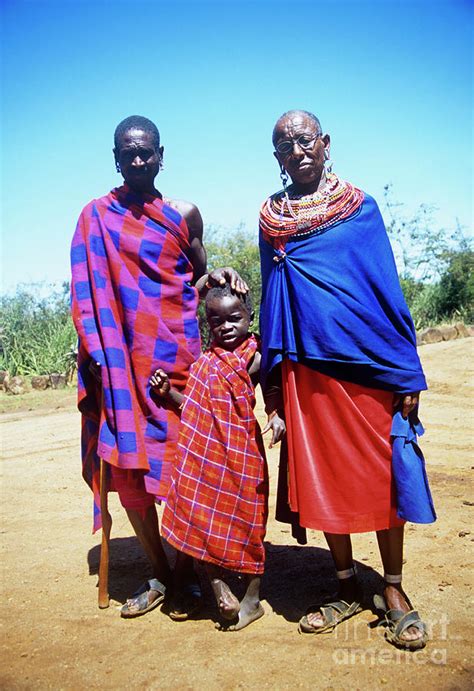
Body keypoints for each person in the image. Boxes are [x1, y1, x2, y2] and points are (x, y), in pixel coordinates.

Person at [258, 109, 436, 650]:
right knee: (324, 476)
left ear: (326, 142)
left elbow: (386, 287)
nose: (297, 150)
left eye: (305, 139)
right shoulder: (271, 220)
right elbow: (271, 302)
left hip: (368, 363)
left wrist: (406, 368)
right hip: (307, 371)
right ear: (277, 157)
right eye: (285, 145)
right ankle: (341, 586)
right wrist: (272, 392)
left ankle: (394, 589)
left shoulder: (361, 209)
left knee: (383, 476)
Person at [71, 115, 246, 618]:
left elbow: (196, 274)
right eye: (129, 152)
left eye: (147, 152)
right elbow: (85, 295)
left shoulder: (183, 214)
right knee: (130, 471)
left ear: (161, 155)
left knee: (185, 465)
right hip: (122, 364)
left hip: (176, 356)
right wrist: (96, 353)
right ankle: (164, 574)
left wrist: (219, 276)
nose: (139, 160)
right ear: (116, 158)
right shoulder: (94, 218)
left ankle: (190, 567)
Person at [151, 283, 286, 630]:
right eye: (216, 321)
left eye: (234, 318)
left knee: (250, 519)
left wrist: (275, 416)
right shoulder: (206, 363)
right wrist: (169, 394)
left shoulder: (257, 357)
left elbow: (274, 389)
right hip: (205, 452)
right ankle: (215, 581)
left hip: (241, 449)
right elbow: (195, 406)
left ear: (249, 317)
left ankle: (252, 598)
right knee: (198, 511)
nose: (226, 326)